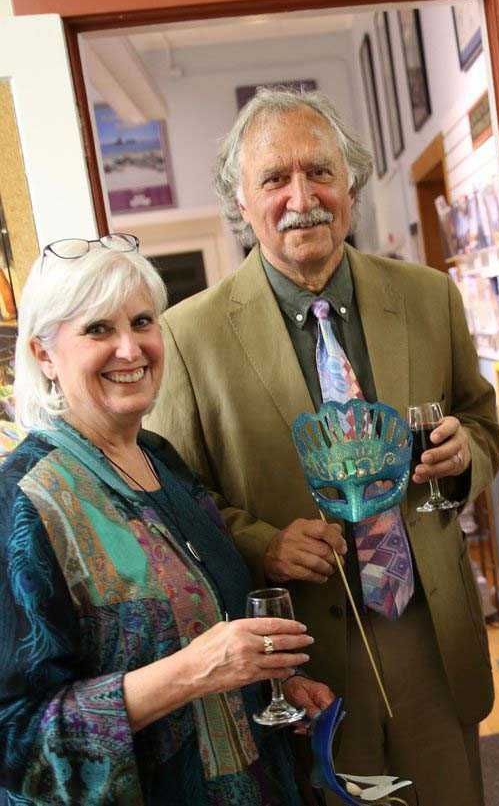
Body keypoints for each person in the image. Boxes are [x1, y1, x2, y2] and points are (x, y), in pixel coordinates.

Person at [146, 88, 499, 806]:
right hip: (301, 661)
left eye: (319, 172)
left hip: (431, 638)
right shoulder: (188, 336)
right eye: (274, 179)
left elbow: (482, 419)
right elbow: (175, 504)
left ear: (351, 186)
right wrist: (262, 542)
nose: (301, 196)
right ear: (241, 204)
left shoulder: (429, 295)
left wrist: (468, 453)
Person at [0, 237, 334, 805]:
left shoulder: (163, 461)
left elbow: (205, 627)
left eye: (142, 321)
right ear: (44, 355)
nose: (130, 350)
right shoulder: (24, 502)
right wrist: (194, 672)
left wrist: (272, 688)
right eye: (98, 329)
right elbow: (15, 740)